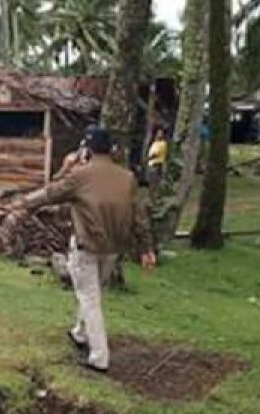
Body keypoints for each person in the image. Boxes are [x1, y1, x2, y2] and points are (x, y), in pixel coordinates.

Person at [9, 127, 156, 373]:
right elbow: (139, 217)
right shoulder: (128, 177)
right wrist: (147, 248)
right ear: (112, 150)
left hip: (87, 246)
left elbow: (50, 193)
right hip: (113, 248)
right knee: (92, 294)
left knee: (89, 299)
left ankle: (99, 357)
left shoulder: (80, 175)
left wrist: (22, 203)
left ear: (86, 149)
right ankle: (80, 333)